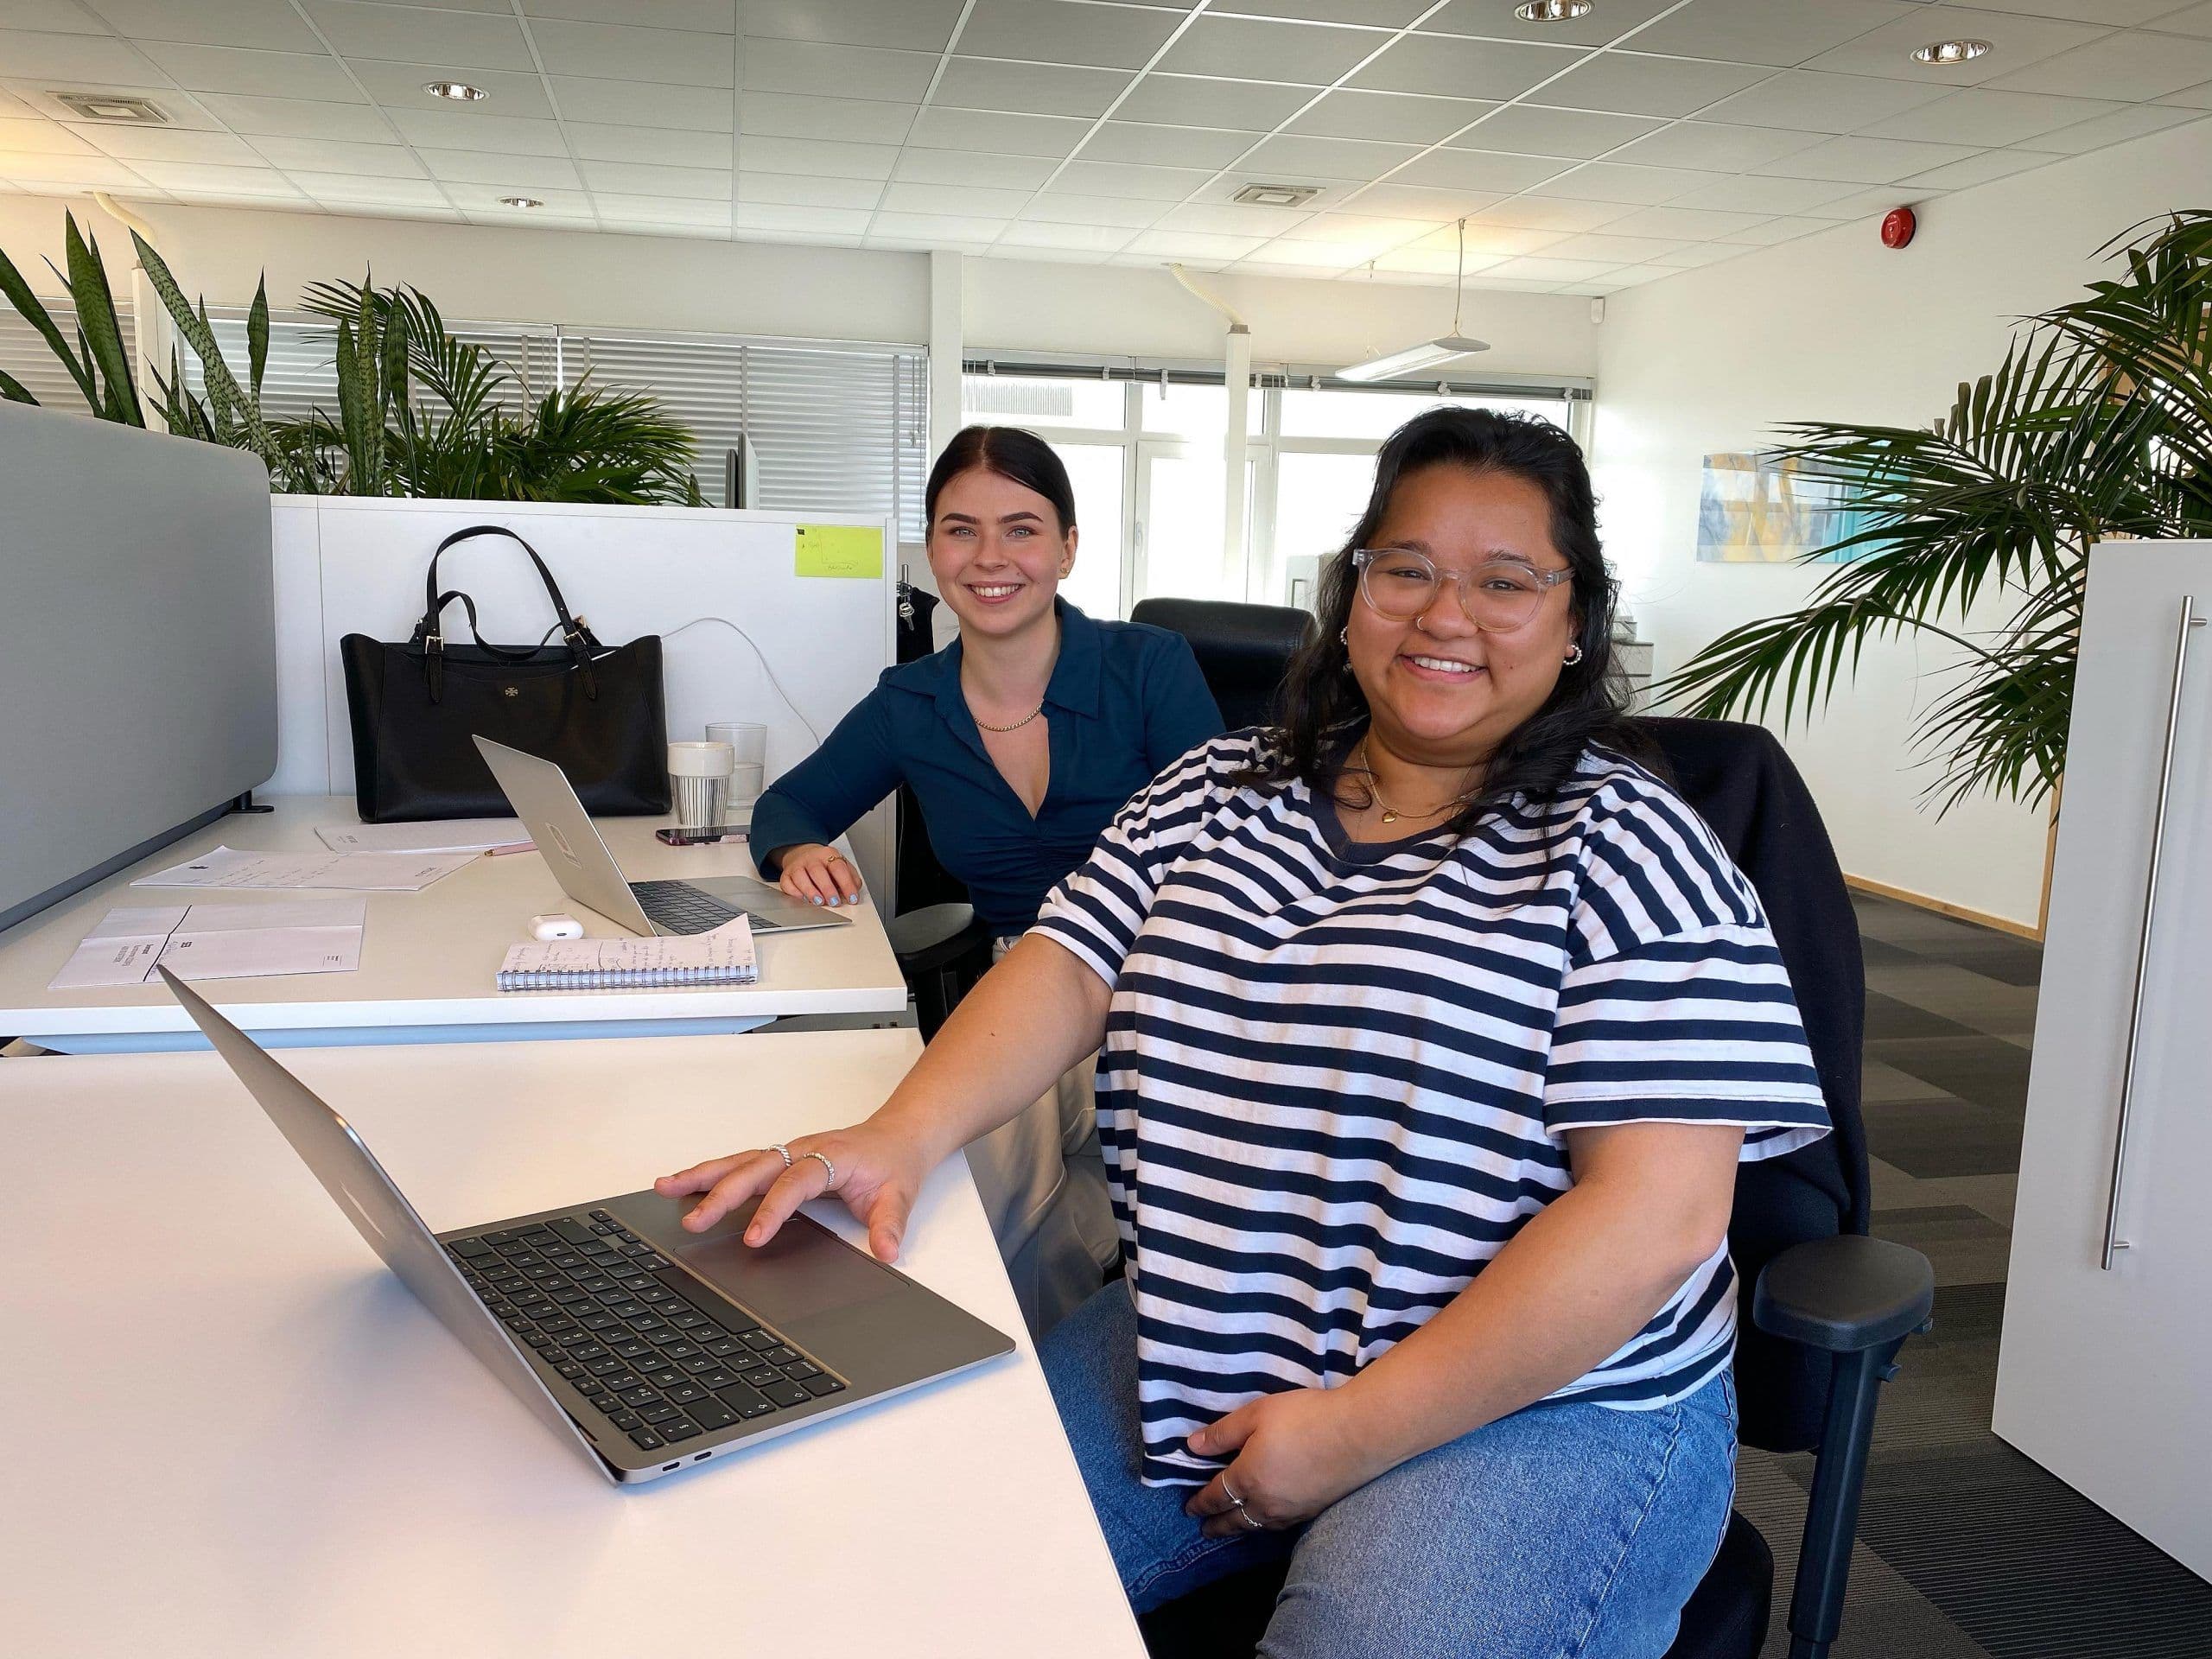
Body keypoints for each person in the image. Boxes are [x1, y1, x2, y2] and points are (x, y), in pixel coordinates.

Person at [664, 407, 1829, 1656]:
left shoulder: (1634, 849)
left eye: (1505, 582)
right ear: (1352, 594)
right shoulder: (1218, 790)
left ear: (1575, 620)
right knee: (901, 1587)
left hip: (1538, 1399)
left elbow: (1657, 1218)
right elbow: (1069, 965)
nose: (1445, 615)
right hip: (1209, 1329)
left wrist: (1354, 1431)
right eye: (1406, 569)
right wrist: (896, 1136)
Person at [745, 424, 1222, 1336]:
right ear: (932, 551)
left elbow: (1228, 839)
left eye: (1022, 529)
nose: (990, 557)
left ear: (1067, 549)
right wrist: (797, 851)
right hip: (1024, 986)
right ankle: (1020, 1336)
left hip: (1164, 982)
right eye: (961, 530)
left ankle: (886, 1322)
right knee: (1024, 1158)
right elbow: (788, 805)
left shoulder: (1145, 667)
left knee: (995, 1158)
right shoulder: (911, 703)